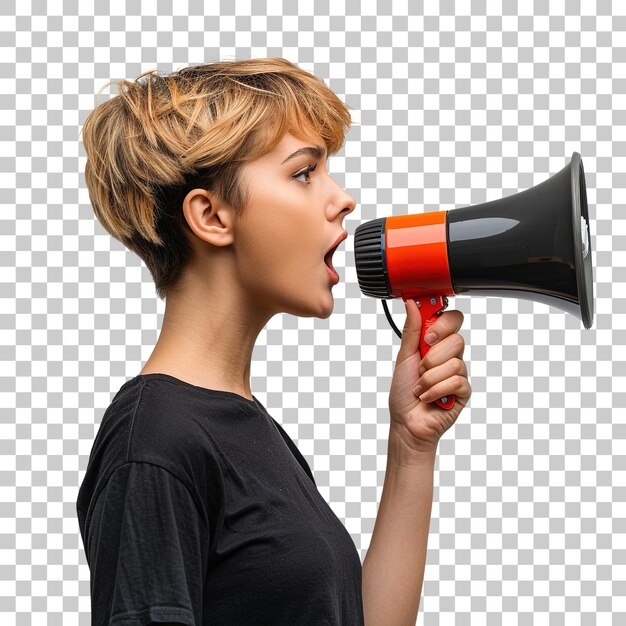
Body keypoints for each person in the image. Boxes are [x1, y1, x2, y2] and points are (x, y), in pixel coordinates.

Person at [76, 58, 471, 626]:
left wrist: (412, 446)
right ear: (212, 215)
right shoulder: (156, 442)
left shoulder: (244, 427)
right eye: (304, 173)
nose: (344, 200)